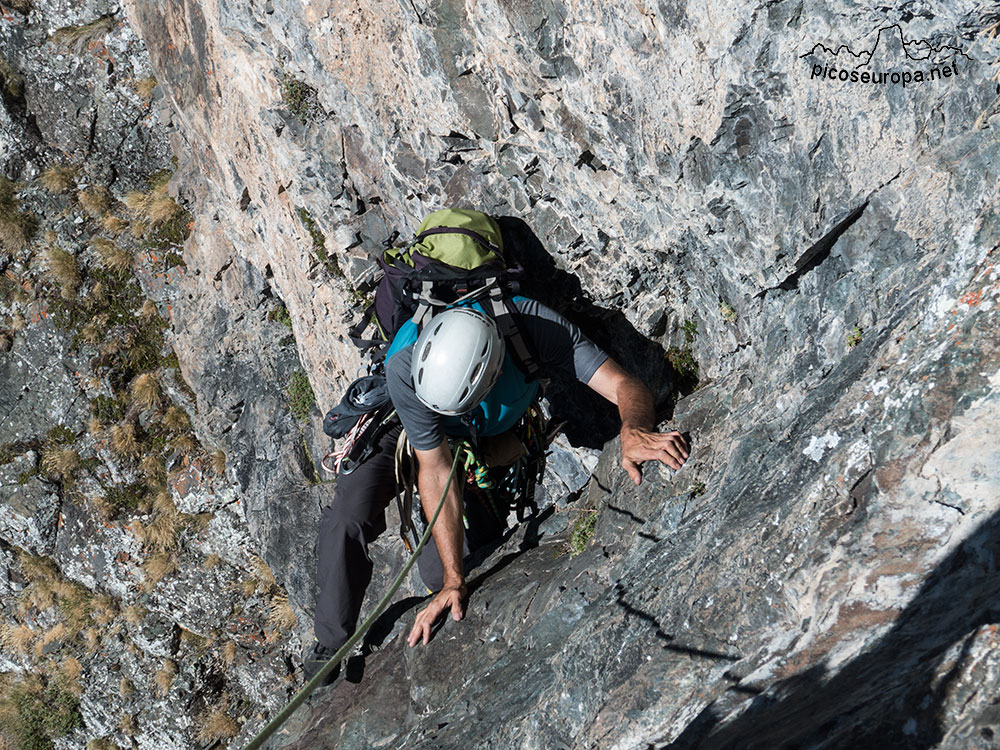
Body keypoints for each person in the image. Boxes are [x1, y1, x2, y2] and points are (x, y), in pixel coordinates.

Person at [304, 297, 689, 681]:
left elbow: (624, 385)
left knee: (444, 573)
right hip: (403, 422)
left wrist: (634, 428)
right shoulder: (404, 364)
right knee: (349, 514)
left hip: (483, 438)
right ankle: (330, 639)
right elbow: (435, 467)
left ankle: (448, 570)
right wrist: (456, 579)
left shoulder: (534, 327)